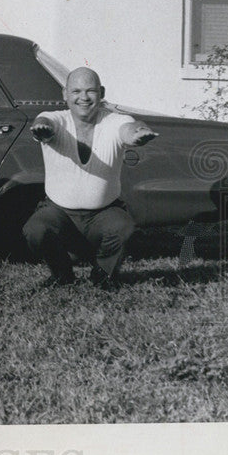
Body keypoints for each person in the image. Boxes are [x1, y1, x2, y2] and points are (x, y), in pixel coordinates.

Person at [22, 67, 158, 290]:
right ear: (64, 94)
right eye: (76, 91)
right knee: (36, 229)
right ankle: (62, 274)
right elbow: (44, 120)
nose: (83, 98)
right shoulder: (56, 120)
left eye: (90, 91)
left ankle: (103, 276)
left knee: (124, 227)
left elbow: (129, 129)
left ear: (101, 92)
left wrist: (138, 132)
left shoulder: (115, 121)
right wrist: (41, 128)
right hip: (59, 214)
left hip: (103, 214)